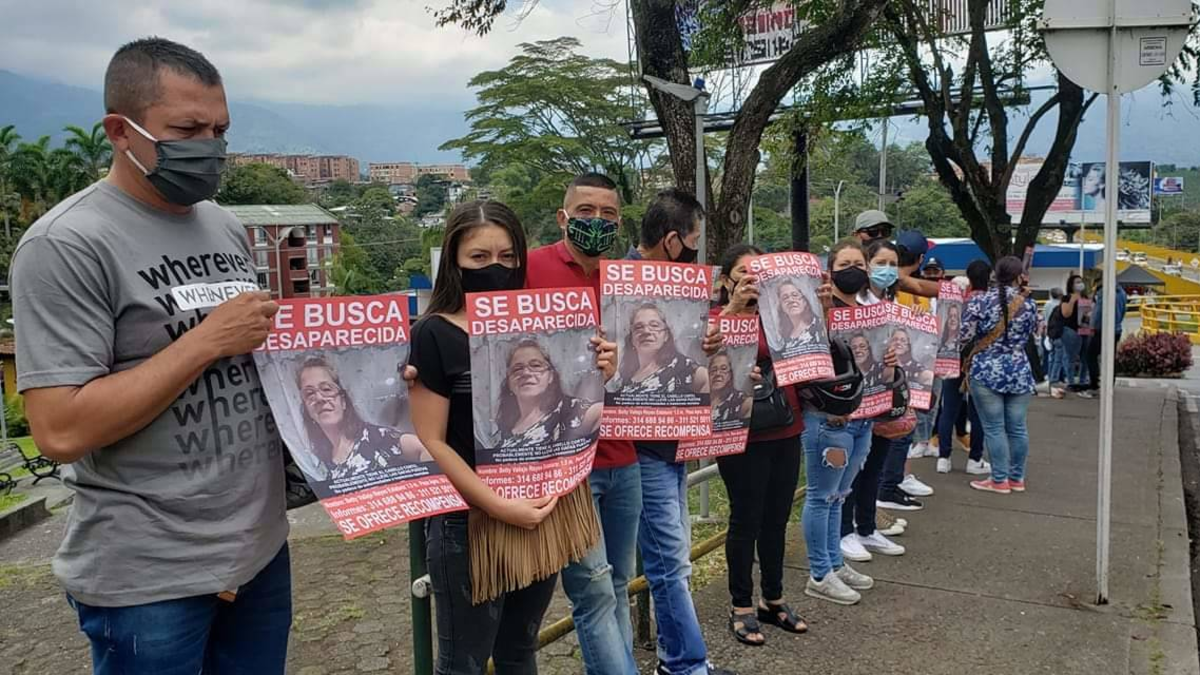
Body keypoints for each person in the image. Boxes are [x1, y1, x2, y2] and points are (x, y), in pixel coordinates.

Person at [11, 38, 292, 674]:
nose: (210, 147)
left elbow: (250, 359)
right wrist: (206, 340)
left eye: (220, 131)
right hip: (149, 577)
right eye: (188, 130)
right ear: (120, 131)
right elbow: (59, 429)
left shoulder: (222, 224)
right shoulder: (67, 244)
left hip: (257, 553)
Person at [408, 200, 617, 674]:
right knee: (461, 664)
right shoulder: (433, 334)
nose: (495, 267)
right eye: (479, 257)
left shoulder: (545, 327)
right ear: (454, 260)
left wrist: (603, 371)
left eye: (507, 256)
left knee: (520, 652)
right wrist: (498, 506)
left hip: (542, 513)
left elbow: (571, 412)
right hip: (470, 525)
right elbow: (431, 440)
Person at [524, 173, 640, 675]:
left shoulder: (630, 281)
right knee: (593, 590)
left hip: (624, 455)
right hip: (567, 463)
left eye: (608, 214)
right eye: (586, 211)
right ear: (562, 217)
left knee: (619, 584)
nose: (597, 221)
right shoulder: (528, 269)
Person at [623, 188, 734, 675]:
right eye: (693, 240)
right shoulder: (621, 288)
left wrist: (708, 339)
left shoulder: (681, 291)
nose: (695, 251)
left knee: (674, 560)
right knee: (669, 562)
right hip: (641, 448)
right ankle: (686, 665)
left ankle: (677, 659)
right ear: (672, 241)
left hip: (673, 444)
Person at [715, 244, 808, 645]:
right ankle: (740, 604)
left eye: (761, 275)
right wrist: (735, 309)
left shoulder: (780, 314)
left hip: (787, 426)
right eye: (744, 275)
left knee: (777, 518)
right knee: (745, 518)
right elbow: (696, 355)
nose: (754, 283)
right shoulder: (715, 318)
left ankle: (773, 597)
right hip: (741, 433)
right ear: (726, 280)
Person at [799, 239, 884, 604]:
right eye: (845, 264)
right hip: (828, 419)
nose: (853, 270)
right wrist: (821, 312)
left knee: (838, 496)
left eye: (859, 264)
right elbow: (805, 356)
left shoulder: (868, 313)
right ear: (829, 270)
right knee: (821, 496)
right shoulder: (815, 312)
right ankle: (819, 573)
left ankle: (834, 562)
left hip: (862, 418)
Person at [841, 239, 911, 564]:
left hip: (882, 394)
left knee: (874, 465)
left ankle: (866, 527)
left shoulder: (889, 303)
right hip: (857, 397)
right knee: (852, 470)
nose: (887, 270)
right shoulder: (854, 304)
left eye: (893, 264)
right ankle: (846, 531)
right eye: (881, 263)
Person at [960, 256, 1039, 494]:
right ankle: (1017, 478)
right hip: (1019, 369)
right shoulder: (1029, 304)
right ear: (1019, 276)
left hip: (986, 369)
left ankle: (999, 479)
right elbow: (1035, 332)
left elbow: (963, 335)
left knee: (994, 427)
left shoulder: (980, 301)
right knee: (1018, 428)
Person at [298, 357, 430, 482]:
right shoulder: (322, 463)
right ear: (307, 410)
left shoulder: (373, 437)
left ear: (343, 401)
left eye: (326, 389)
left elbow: (426, 449)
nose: (319, 398)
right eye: (309, 394)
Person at [881, 230, 936, 502]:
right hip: (897, 372)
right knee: (898, 430)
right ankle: (888, 484)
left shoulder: (907, 287)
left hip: (911, 369)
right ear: (921, 258)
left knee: (905, 428)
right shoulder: (893, 287)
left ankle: (900, 477)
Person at [498, 340, 603, 447]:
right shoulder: (504, 429)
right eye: (517, 369)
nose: (526, 373)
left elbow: (602, 413)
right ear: (509, 382)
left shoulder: (569, 410)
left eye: (536, 366)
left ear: (550, 376)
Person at [611, 303, 709, 397]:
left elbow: (707, 380)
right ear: (632, 338)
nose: (646, 331)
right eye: (639, 327)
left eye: (654, 325)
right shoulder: (625, 378)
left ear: (666, 335)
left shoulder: (682, 367)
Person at [1079, 280, 1129, 399]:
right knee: (1110, 358)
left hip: (1101, 330)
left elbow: (1097, 314)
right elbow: (1123, 311)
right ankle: (1109, 385)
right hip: (1116, 329)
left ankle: (1094, 384)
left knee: (1090, 355)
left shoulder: (1104, 293)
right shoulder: (1122, 293)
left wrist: (1091, 327)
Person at [1060, 272, 1089, 391]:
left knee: (1085, 358)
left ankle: (1082, 381)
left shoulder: (1086, 298)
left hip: (1085, 329)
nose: (1080, 284)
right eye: (1077, 282)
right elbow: (1066, 314)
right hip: (1071, 330)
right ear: (1071, 285)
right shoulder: (1066, 298)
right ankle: (1071, 382)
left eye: (1081, 282)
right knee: (1070, 357)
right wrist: (1072, 300)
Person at [775, 280, 824, 351]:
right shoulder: (784, 339)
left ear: (804, 301)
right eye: (785, 298)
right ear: (781, 307)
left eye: (795, 295)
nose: (791, 300)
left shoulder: (819, 324)